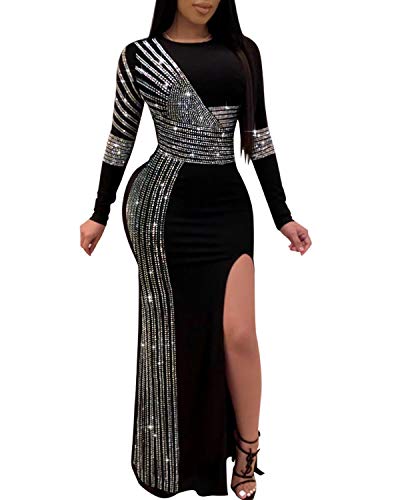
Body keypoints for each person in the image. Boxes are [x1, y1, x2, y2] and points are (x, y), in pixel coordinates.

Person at [80, 0, 312, 498]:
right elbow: (121, 137)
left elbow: (260, 138)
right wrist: (100, 211)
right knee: (170, 334)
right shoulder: (139, 56)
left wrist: (283, 215)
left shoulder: (244, 53)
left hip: (227, 208)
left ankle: (248, 451)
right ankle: (173, 460)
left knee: (239, 334)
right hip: (159, 209)